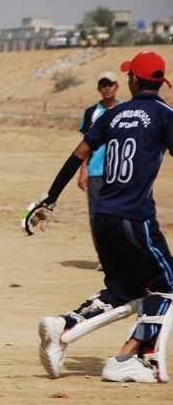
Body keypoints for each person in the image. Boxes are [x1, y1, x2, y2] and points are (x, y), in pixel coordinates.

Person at [27, 51, 173, 384]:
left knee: (123, 290)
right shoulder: (165, 115)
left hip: (104, 216)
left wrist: (50, 198)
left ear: (133, 80)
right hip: (136, 218)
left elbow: (77, 154)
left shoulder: (113, 115)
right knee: (167, 288)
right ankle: (135, 359)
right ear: (160, 82)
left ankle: (63, 326)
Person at [77, 72, 121, 269]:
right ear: (99, 89)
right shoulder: (91, 112)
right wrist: (82, 171)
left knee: (118, 214)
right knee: (96, 216)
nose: (107, 88)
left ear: (116, 86)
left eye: (110, 84)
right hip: (95, 171)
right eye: (104, 85)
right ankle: (104, 258)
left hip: (118, 171)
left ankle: (120, 257)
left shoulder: (125, 110)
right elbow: (84, 144)